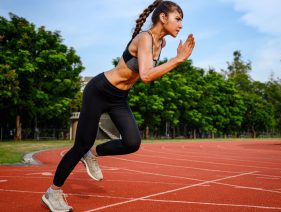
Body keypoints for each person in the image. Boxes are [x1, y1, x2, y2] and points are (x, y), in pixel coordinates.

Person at [42, 1, 195, 211]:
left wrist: (176, 59)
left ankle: (92, 154)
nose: (180, 25)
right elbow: (147, 75)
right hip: (99, 90)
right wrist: (177, 60)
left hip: (119, 97)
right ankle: (53, 192)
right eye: (178, 19)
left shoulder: (162, 44)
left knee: (132, 142)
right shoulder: (144, 38)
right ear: (162, 17)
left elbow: (145, 74)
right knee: (81, 144)